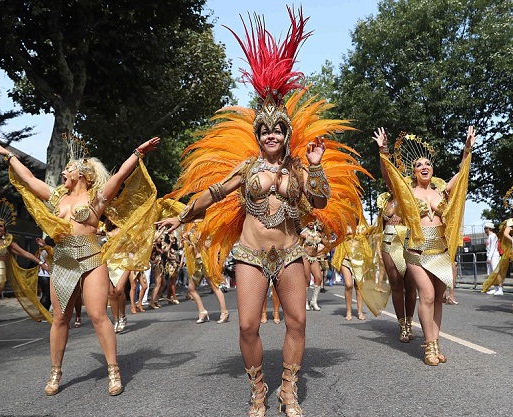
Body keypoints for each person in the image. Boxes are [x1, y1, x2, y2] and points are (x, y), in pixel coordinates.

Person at [157, 8, 365, 416]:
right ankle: (258, 388)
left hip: (290, 253)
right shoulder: (246, 168)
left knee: (297, 324)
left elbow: (320, 203)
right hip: (250, 253)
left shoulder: (300, 169)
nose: (271, 133)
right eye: (265, 129)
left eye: (278, 129)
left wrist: (319, 164)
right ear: (258, 135)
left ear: (287, 134)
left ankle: (288, 388)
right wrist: (182, 216)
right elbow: (212, 195)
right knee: (248, 326)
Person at [0, 134, 159, 395]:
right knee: (60, 319)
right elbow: (29, 179)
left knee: (97, 315)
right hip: (62, 260)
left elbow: (119, 178)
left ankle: (113, 371)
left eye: (67, 169)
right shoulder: (57, 197)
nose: (63, 173)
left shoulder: (98, 197)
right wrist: (10, 156)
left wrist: (138, 153)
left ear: (82, 174)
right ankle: (55, 373)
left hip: (92, 258)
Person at [374, 127, 474, 366]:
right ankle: (428, 347)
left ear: (432, 169)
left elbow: (462, 174)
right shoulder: (407, 192)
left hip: (439, 250)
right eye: (419, 164)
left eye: (427, 163)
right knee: (426, 296)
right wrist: (383, 151)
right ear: (414, 171)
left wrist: (467, 149)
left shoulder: (442, 192)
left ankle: (436, 343)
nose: (424, 166)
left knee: (438, 298)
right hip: (416, 250)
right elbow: (389, 177)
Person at [0, 198, 51, 353]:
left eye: (0, 226)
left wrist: (41, 263)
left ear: (4, 229)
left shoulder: (8, 242)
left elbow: (25, 253)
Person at [376, 193, 416, 339]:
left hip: (409, 242)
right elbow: (381, 226)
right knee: (396, 283)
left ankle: (410, 323)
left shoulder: (412, 196)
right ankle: (402, 325)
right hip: (389, 242)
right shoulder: (384, 201)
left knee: (411, 285)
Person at [332, 225, 369, 321]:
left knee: (359, 286)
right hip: (346, 259)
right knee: (348, 285)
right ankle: (348, 312)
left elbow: (369, 237)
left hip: (359, 259)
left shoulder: (362, 227)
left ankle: (360, 312)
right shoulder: (344, 225)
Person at [300, 220, 328, 311]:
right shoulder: (303, 234)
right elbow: (299, 248)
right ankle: (305, 302)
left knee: (319, 278)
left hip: (315, 258)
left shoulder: (318, 235)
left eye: (312, 221)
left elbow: (327, 245)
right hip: (305, 257)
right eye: (309, 221)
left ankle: (314, 301)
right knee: (307, 279)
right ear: (306, 222)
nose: (311, 223)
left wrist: (323, 236)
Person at [484, 222, 503, 296]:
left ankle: (500, 288)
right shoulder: (490, 236)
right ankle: (496, 288)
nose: (485, 230)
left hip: (494, 256)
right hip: (491, 256)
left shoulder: (493, 236)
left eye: (486, 228)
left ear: (489, 228)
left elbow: (492, 248)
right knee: (492, 273)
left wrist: (489, 257)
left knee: (496, 272)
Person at [36, 236, 53, 310]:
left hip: (42, 274)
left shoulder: (42, 250)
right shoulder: (50, 250)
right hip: (47, 274)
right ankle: (44, 314)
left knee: (46, 295)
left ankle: (43, 313)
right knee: (47, 295)